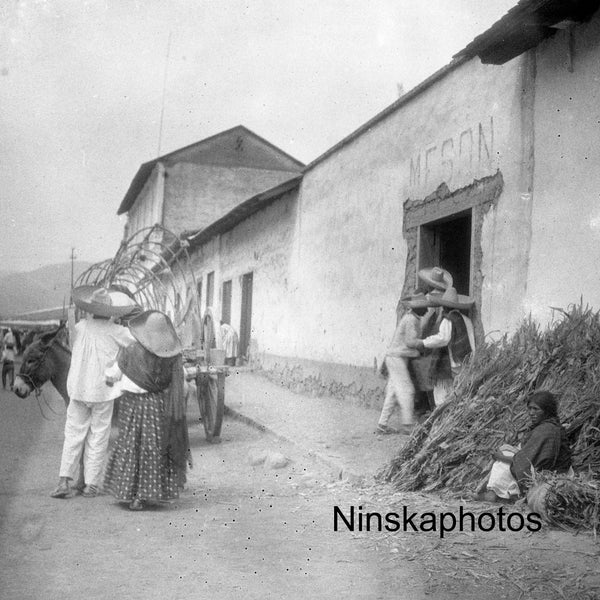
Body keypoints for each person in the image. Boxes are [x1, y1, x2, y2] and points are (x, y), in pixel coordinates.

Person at [50, 286, 138, 499]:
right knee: (98, 435)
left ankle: (64, 481)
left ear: (90, 310)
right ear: (110, 312)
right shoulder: (117, 331)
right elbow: (136, 344)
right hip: (102, 391)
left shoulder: (80, 327)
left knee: (73, 435)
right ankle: (91, 485)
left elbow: (71, 338)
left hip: (78, 390)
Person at [103, 310, 190, 511]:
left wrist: (109, 378)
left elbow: (112, 375)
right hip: (156, 406)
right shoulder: (172, 358)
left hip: (131, 405)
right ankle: (149, 493)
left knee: (129, 444)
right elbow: (182, 382)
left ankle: (129, 492)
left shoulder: (130, 351)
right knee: (152, 447)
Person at [481, 391, 572, 502]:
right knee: (506, 452)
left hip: (548, 473)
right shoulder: (548, 426)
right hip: (545, 469)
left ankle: (493, 494)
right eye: (529, 408)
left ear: (547, 411)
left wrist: (500, 457)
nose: (531, 413)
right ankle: (503, 494)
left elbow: (526, 462)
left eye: (536, 409)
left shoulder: (545, 430)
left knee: (502, 463)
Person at [410, 286, 475, 407]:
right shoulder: (467, 320)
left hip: (450, 364)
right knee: (457, 394)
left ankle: (440, 420)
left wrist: (423, 342)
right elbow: (472, 342)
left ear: (444, 305)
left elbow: (443, 338)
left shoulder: (448, 319)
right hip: (464, 362)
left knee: (440, 396)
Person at [376, 293, 431, 435]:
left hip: (395, 357)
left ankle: (382, 424)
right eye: (424, 308)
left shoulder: (410, 317)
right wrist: (425, 344)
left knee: (393, 393)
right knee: (407, 390)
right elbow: (410, 342)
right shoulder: (412, 319)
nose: (426, 310)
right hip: (397, 358)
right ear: (417, 308)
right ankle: (407, 425)